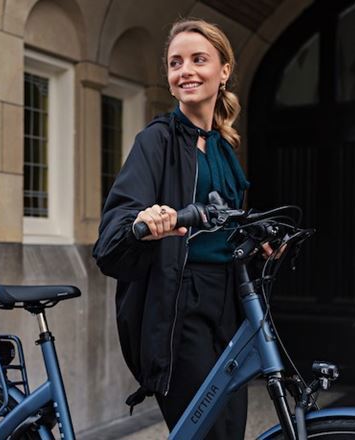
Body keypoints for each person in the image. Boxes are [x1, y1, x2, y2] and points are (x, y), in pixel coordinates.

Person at [92, 18, 272, 439]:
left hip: (228, 302)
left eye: (198, 59)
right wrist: (144, 222)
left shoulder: (225, 149)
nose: (185, 70)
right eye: (176, 63)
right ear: (170, 81)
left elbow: (225, 226)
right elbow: (114, 232)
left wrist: (259, 242)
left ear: (223, 70)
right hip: (179, 302)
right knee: (204, 432)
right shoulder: (156, 141)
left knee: (231, 429)